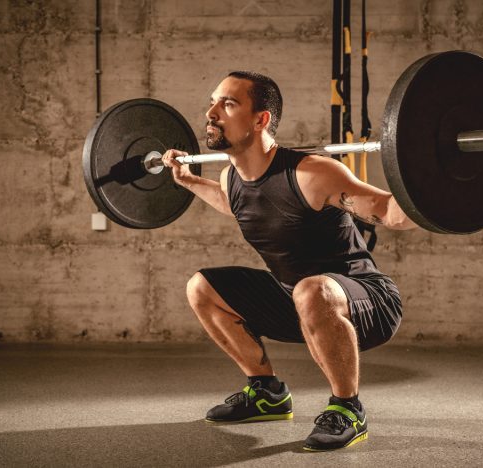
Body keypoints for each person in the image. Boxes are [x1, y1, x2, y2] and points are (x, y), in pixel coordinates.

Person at [161, 71, 417, 452]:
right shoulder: (233, 178)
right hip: (297, 299)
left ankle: (348, 409)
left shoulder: (311, 173)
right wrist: (189, 181)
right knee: (202, 287)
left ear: (261, 120)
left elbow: (391, 212)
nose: (211, 112)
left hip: (366, 301)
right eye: (213, 101)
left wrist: (429, 176)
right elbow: (243, 208)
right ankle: (267, 392)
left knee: (311, 288)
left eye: (228, 104)